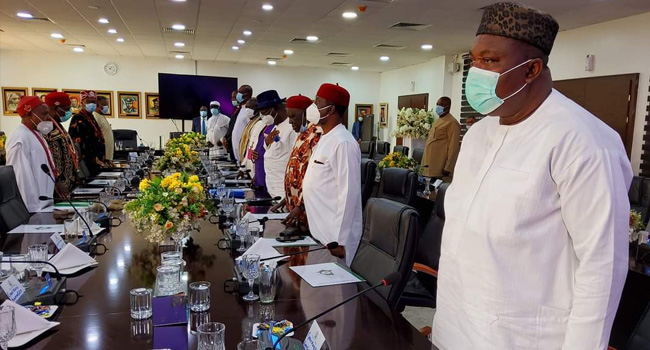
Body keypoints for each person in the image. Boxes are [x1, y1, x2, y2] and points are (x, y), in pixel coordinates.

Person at [431, 3, 632, 350]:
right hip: (453, 327)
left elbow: (602, 266)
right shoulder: (479, 134)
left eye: (490, 61)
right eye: (474, 60)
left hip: (521, 337)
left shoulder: (584, 142)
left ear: (531, 69)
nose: (475, 71)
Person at [302, 83, 362, 266]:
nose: (313, 107)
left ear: (331, 109)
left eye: (318, 102)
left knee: (333, 294)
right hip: (320, 234)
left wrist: (341, 240)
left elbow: (349, 193)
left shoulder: (343, 143)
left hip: (334, 240)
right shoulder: (326, 137)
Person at [270, 95, 323, 230]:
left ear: (307, 114)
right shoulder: (303, 134)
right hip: (295, 207)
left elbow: (315, 177)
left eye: (293, 116)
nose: (290, 122)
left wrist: (301, 205)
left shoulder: (317, 135)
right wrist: (287, 198)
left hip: (307, 210)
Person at [5, 96, 55, 212]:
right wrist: (31, 211)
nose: (48, 118)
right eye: (44, 114)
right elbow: (21, 179)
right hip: (33, 208)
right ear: (29, 114)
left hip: (44, 204)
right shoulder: (20, 138)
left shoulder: (34, 133)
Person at [256, 90, 297, 199]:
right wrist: (266, 142)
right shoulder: (275, 126)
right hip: (272, 187)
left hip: (283, 190)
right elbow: (272, 151)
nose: (263, 117)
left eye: (265, 113)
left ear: (276, 108)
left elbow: (295, 161)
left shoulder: (292, 128)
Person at [44, 92, 78, 196]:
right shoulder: (45, 128)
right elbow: (48, 158)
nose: (69, 113)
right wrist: (57, 181)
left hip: (68, 182)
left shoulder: (57, 124)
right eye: (67, 109)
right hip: (57, 186)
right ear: (56, 108)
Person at [421, 96, 460, 182]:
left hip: (439, 168)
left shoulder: (452, 122)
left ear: (448, 107)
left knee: (436, 193)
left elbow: (453, 147)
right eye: (437, 104)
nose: (438, 107)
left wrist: (448, 167)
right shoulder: (438, 120)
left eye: (441, 105)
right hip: (428, 165)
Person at [68, 90, 106, 177]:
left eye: (94, 102)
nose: (92, 104)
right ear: (82, 103)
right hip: (87, 163)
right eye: (89, 102)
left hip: (97, 162)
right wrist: (94, 159)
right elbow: (77, 145)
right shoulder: (78, 118)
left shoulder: (91, 117)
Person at [231, 85, 254, 164]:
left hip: (244, 151)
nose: (237, 95)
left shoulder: (249, 111)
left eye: (239, 93)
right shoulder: (241, 109)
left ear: (246, 95)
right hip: (237, 151)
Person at [94, 95, 114, 164]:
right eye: (105, 105)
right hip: (102, 157)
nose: (107, 107)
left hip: (108, 157)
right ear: (97, 105)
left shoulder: (101, 115)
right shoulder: (95, 116)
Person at [224, 90, 242, 162]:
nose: (232, 100)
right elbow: (231, 127)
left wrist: (228, 139)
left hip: (236, 145)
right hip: (231, 145)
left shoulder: (243, 112)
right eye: (232, 98)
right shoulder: (236, 110)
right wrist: (225, 137)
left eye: (234, 97)